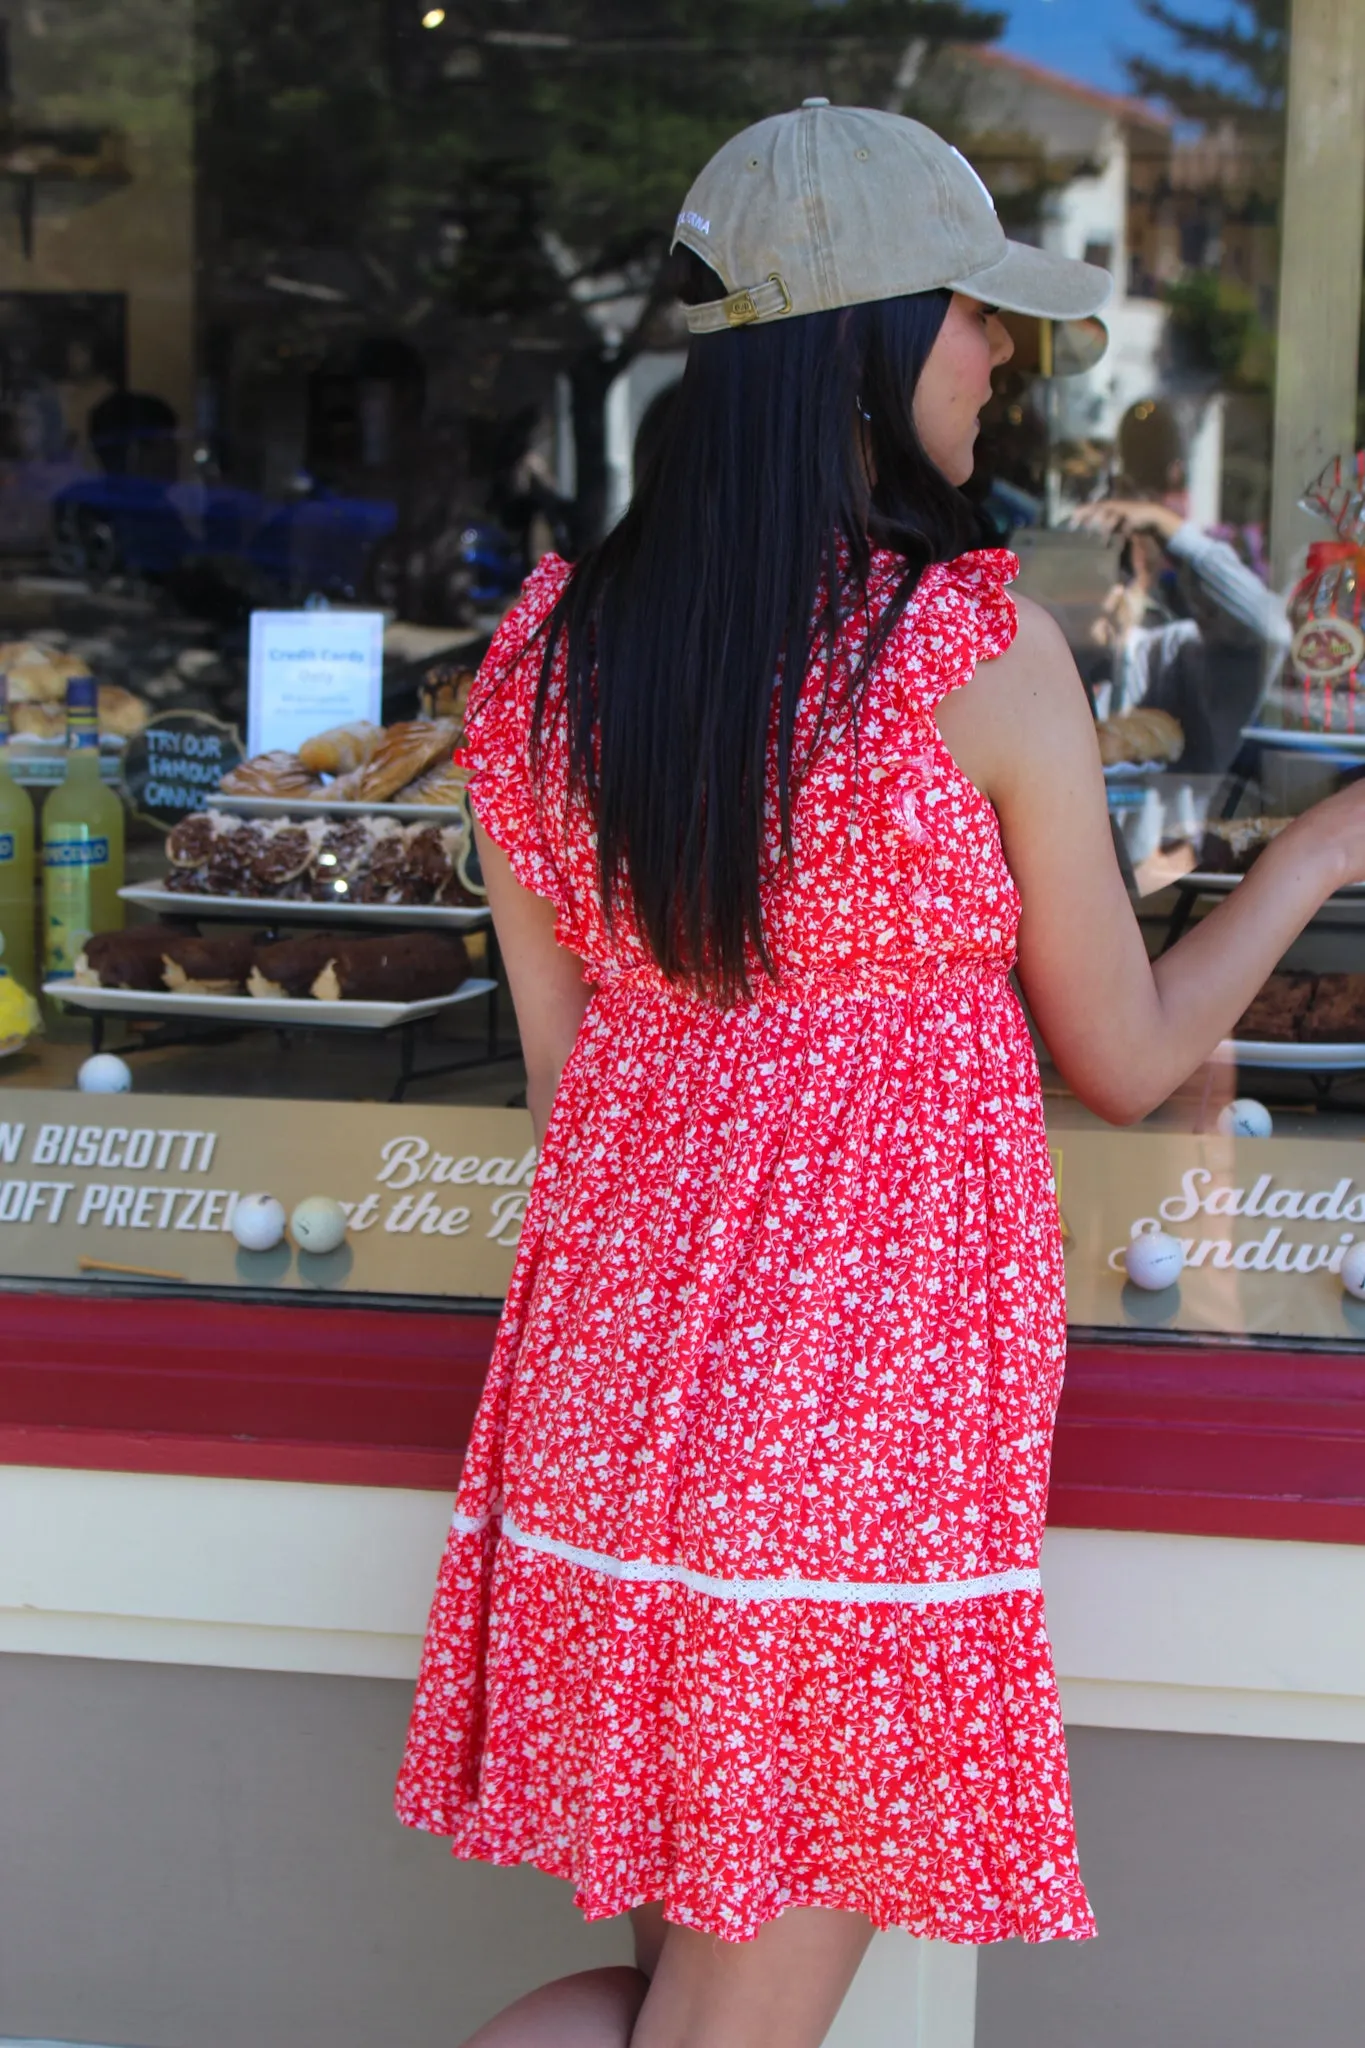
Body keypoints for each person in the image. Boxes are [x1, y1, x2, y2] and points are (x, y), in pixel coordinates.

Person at [395, 104, 1365, 2048]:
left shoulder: (539, 670)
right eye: (968, 318)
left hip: (616, 1401)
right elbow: (1127, 1054)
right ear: (853, 336)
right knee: (731, 2022)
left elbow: (568, 1079)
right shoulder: (969, 651)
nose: (998, 357)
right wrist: (1318, 859)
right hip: (846, 1426)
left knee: (695, 1984)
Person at [1075, 495, 1290, 772]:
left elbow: (1271, 627)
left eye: (1102, 577)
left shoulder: (1171, 655)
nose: (1086, 597)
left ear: (1141, 576)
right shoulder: (1056, 663)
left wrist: (1168, 525)